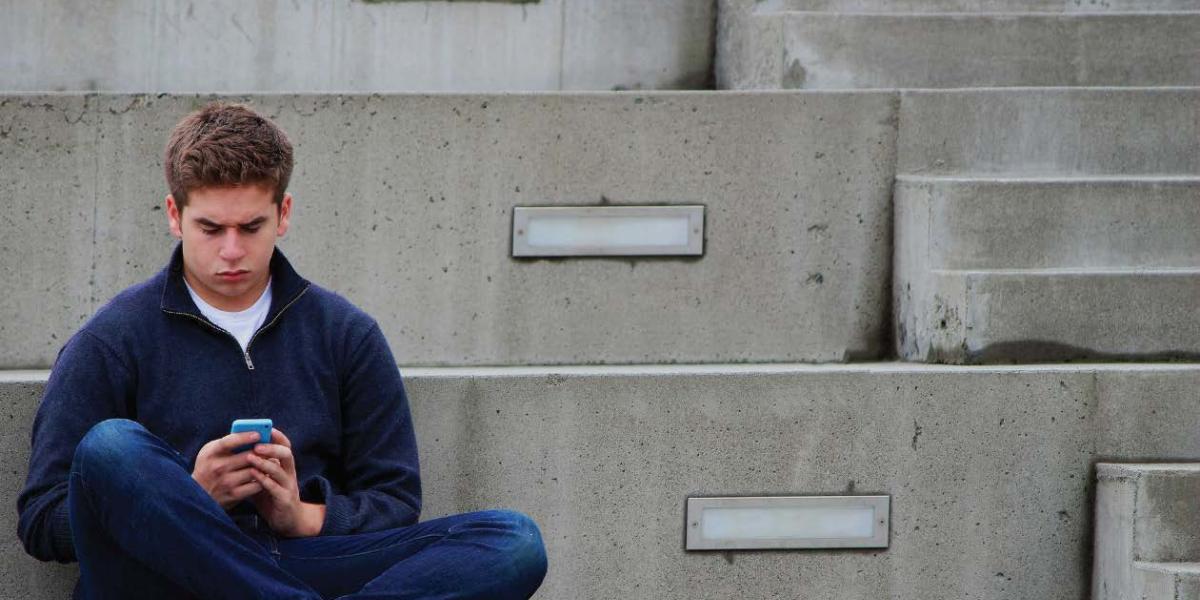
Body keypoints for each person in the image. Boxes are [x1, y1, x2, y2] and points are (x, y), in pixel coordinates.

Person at [15, 102, 548, 599]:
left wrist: (301, 515)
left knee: (512, 541)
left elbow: (394, 499)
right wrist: (185, 499)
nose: (231, 250)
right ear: (174, 216)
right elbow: (43, 521)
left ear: (283, 213)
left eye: (251, 227)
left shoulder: (344, 333)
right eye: (210, 228)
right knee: (112, 448)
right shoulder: (112, 339)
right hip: (162, 575)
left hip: (298, 560)